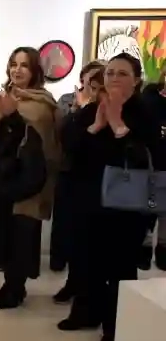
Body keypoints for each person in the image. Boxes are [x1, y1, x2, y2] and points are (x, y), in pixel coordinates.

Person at [57, 52, 161, 341]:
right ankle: (86, 313)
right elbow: (70, 146)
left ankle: (116, 326)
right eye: (110, 72)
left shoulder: (145, 113)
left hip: (126, 205)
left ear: (137, 80)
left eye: (122, 73)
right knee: (86, 260)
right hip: (89, 200)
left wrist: (118, 126)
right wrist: (95, 126)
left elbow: (146, 158)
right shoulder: (92, 109)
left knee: (120, 266)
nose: (114, 78)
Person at [0, 47, 61, 309]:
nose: (17, 70)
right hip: (5, 175)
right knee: (5, 231)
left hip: (29, 179)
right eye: (14, 64)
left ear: (35, 70)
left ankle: (17, 288)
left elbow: (40, 143)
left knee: (22, 233)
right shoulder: (5, 97)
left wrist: (13, 115)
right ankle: (9, 284)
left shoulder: (42, 103)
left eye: (24, 65)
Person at [51, 61, 105, 303]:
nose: (91, 88)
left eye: (97, 84)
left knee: (90, 239)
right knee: (70, 232)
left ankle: (86, 288)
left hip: (96, 181)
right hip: (70, 175)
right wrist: (77, 110)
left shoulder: (106, 108)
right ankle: (72, 281)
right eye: (89, 82)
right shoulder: (74, 103)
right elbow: (64, 137)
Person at [140, 73, 166, 271]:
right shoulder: (148, 99)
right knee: (146, 211)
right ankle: (144, 251)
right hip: (149, 164)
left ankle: (163, 252)